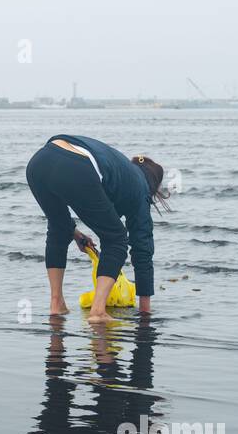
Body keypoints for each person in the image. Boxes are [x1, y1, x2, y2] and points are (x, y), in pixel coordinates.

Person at [25, 135, 168, 322]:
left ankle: (56, 304)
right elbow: (143, 248)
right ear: (153, 183)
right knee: (116, 239)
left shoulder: (122, 170)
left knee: (58, 228)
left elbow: (72, 207)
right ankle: (98, 311)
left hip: (39, 161)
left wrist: (74, 234)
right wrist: (145, 311)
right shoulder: (140, 186)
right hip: (74, 164)